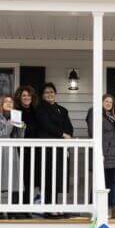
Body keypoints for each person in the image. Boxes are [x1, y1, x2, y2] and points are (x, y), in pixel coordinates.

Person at [35, 83, 73, 216]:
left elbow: (69, 127)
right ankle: (47, 207)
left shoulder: (62, 110)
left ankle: (55, 205)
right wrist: (63, 134)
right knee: (47, 177)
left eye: (51, 92)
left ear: (55, 93)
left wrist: (68, 134)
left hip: (60, 149)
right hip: (47, 149)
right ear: (42, 95)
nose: (49, 94)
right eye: (46, 92)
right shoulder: (40, 109)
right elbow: (46, 125)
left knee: (57, 177)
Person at [86, 95, 115, 218]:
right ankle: (96, 210)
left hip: (114, 154)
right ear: (101, 102)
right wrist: (100, 152)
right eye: (106, 101)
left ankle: (112, 209)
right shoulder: (94, 112)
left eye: (110, 102)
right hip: (102, 153)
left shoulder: (111, 116)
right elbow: (93, 132)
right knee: (100, 183)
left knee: (113, 182)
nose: (108, 103)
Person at [0, 96, 25, 219]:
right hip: (1, 152)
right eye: (6, 101)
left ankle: (13, 211)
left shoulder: (16, 117)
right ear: (1, 104)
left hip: (13, 152)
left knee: (14, 180)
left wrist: (22, 128)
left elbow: (20, 138)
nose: (9, 103)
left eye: (11, 102)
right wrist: (10, 124)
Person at [14, 85, 38, 210]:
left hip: (33, 151)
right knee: (19, 179)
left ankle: (27, 208)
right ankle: (17, 209)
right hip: (20, 150)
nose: (26, 97)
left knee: (30, 180)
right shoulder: (16, 112)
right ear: (19, 97)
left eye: (29, 95)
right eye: (24, 95)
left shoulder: (35, 111)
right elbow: (15, 132)